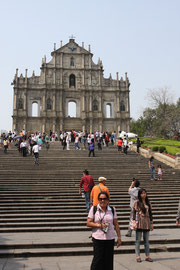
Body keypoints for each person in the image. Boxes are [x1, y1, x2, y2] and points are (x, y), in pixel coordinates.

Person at [87, 192, 122, 270]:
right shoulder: (94, 209)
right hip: (97, 238)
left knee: (108, 261)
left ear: (108, 200)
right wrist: (99, 225)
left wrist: (119, 237)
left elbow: (116, 224)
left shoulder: (112, 209)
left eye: (104, 199)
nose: (102, 200)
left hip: (110, 238)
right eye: (100, 199)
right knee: (97, 260)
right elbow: (88, 222)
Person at [132, 188, 153, 263]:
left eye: (145, 193)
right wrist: (134, 221)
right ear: (139, 195)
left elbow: (150, 213)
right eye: (142, 193)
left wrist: (151, 223)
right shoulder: (137, 202)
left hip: (147, 222)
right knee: (138, 240)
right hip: (139, 222)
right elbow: (134, 212)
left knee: (146, 241)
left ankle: (147, 256)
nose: (144, 194)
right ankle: (138, 256)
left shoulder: (148, 202)